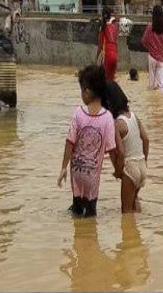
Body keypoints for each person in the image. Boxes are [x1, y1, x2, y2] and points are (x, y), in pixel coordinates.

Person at [57, 65, 120, 217]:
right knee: (91, 213)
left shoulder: (78, 113)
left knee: (76, 209)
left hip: (76, 173)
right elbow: (112, 150)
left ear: (87, 90)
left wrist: (63, 168)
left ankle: (77, 235)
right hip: (92, 177)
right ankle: (89, 236)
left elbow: (69, 142)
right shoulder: (107, 118)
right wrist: (117, 170)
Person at [104, 82, 150, 213]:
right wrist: (144, 160)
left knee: (126, 213)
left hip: (130, 168)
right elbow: (146, 140)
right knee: (135, 201)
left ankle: (130, 233)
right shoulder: (135, 117)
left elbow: (122, 153)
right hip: (141, 165)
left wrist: (118, 171)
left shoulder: (117, 124)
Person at [95, 7, 119, 82]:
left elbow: (100, 45)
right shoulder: (114, 27)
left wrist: (96, 57)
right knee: (112, 79)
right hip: (115, 55)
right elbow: (116, 42)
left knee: (105, 80)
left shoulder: (103, 28)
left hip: (108, 55)